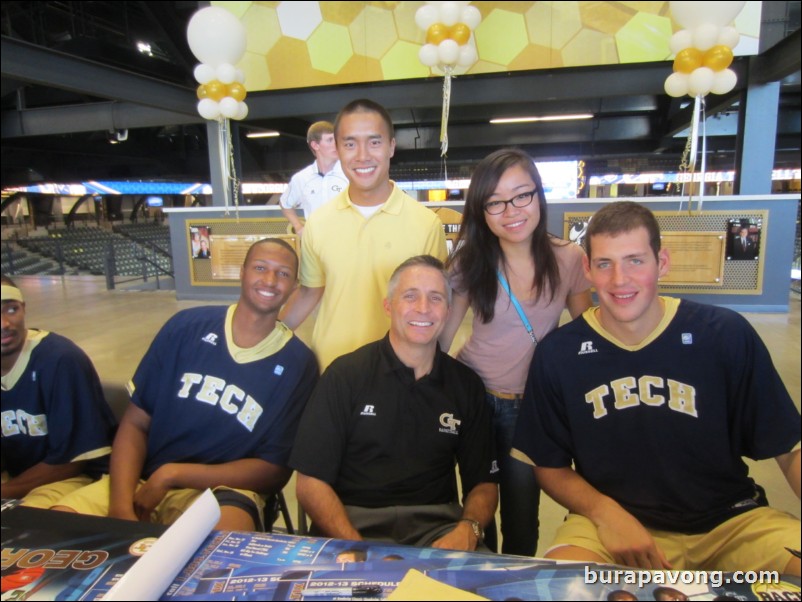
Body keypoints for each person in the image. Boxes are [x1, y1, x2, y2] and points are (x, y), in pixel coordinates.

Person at [511, 201, 801, 575]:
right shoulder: (559, 353)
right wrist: (606, 514)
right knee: (560, 583)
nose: (619, 280)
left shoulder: (724, 334)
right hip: (611, 521)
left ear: (661, 262)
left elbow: (789, 447)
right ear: (587, 269)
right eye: (604, 264)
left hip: (732, 522)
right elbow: (549, 465)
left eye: (635, 260)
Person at [55, 239, 319, 530]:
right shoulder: (185, 327)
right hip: (141, 478)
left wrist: (173, 474)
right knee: (55, 529)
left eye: (283, 274)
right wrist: (120, 505)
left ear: (294, 286)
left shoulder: (298, 363)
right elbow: (136, 423)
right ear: (242, 272)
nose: (270, 280)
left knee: (219, 552)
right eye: (260, 268)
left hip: (222, 493)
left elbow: (273, 472)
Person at [439, 148, 591, 555]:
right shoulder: (469, 263)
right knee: (477, 511)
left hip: (532, 408)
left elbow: (587, 339)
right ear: (481, 210)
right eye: (495, 202)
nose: (511, 211)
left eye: (522, 195)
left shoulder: (569, 259)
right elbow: (444, 338)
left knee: (523, 517)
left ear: (539, 195)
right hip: (476, 401)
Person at [290, 256, 498, 550]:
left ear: (449, 311)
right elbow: (310, 483)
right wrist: (358, 548)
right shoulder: (346, 375)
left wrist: (468, 529)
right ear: (388, 305)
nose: (423, 308)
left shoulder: (466, 385)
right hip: (350, 524)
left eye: (435, 298)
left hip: (438, 528)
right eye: (410, 296)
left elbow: (484, 483)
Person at [281, 99, 447, 370]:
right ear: (337, 150)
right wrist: (266, 337)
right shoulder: (318, 223)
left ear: (391, 146)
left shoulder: (426, 224)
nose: (362, 155)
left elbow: (436, 306)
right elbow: (310, 291)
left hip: (398, 372)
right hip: (330, 368)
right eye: (349, 144)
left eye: (374, 142)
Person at [1, 275, 116, 508]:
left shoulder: (59, 359)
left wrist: (4, 491)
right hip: (19, 476)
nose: (4, 323)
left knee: (24, 527)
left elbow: (70, 463)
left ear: (23, 308)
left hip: (75, 477)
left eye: (11, 310)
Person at [280, 121, 348, 236]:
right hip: (314, 241)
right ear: (315, 145)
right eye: (330, 140)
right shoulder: (301, 178)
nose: (336, 144)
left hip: (346, 239)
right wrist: (298, 226)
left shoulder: (350, 174)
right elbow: (285, 203)